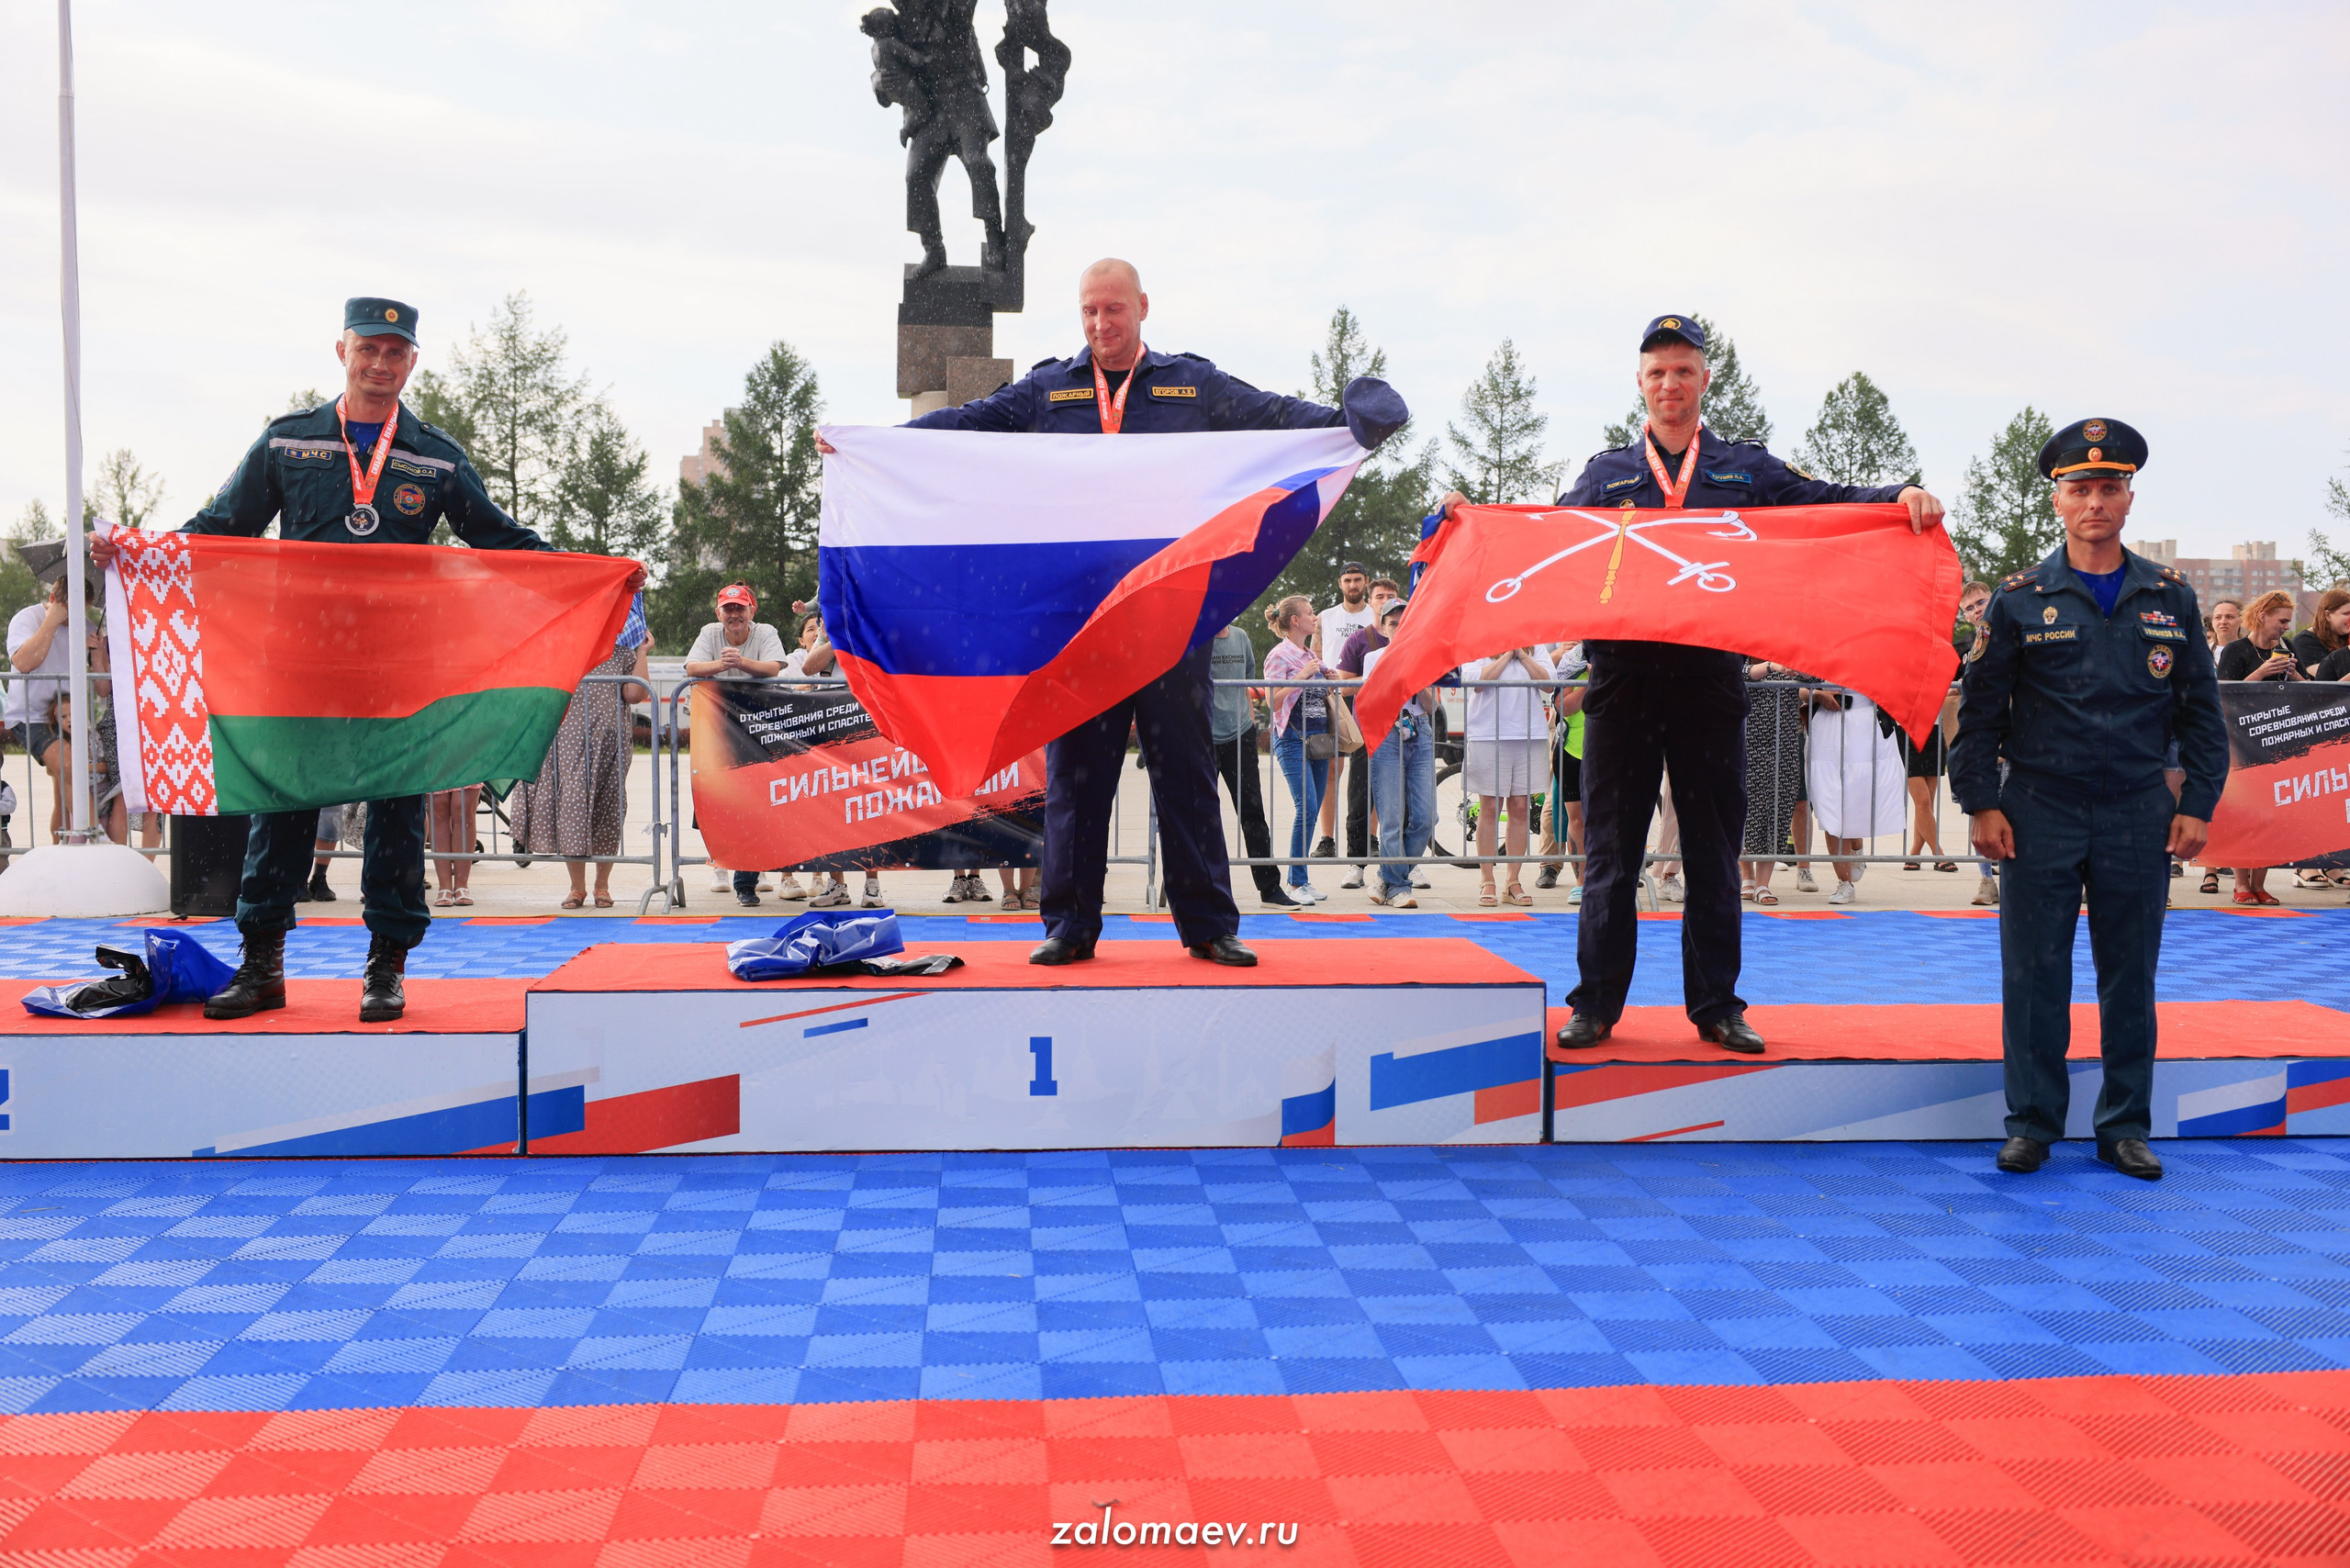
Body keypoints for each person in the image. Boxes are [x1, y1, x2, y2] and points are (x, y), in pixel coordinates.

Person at [92, 297, 633, 1025]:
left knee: (395, 820)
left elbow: (501, 542)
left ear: (412, 360)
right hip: (298, 667)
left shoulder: (435, 455)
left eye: (396, 352)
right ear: (341, 351)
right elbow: (220, 531)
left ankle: (387, 967)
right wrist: (139, 555)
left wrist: (593, 571)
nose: (381, 364)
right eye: (368, 350)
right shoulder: (287, 442)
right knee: (281, 810)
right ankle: (262, 968)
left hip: (399, 675)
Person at [863, 257, 1406, 967]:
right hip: (1079, 626)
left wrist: (1346, 428)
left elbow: (1275, 419)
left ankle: (1209, 925)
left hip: (1170, 624)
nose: (1100, 325)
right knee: (1075, 779)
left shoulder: (1192, 383)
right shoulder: (1050, 387)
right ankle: (1069, 925)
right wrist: (878, 446)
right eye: (1089, 312)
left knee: (1185, 773)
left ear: (1142, 307)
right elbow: (970, 427)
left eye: (1113, 311)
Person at [1465, 315, 1942, 1056]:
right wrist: (1471, 524)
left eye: (1683, 371)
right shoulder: (1605, 475)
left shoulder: (1745, 471)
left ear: (1704, 380)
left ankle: (1717, 1007)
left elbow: (1825, 501)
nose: (1670, 386)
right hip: (1620, 685)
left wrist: (1897, 496)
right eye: (1657, 373)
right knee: (1611, 859)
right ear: (1640, 384)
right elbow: (1550, 544)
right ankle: (1595, 1004)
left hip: (1710, 684)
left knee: (1715, 854)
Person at [1953, 418, 2225, 1182]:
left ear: (2129, 500)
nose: (2095, 502)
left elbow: (2201, 711)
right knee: (2034, 973)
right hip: (2039, 806)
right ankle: (2032, 1124)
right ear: (2057, 502)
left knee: (2129, 975)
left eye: (2109, 488)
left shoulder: (2170, 597)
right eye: (2080, 489)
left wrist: (2198, 802)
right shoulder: (2017, 601)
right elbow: (1979, 716)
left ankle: (2124, 1126)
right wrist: (1981, 803)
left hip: (2139, 809)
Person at [511, 591, 652, 910]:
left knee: (608, 809)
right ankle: (577, 888)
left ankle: (602, 886)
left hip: (610, 746)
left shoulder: (621, 651)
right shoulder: (566, 648)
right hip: (569, 745)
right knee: (573, 808)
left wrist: (642, 652)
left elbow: (634, 694)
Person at [686, 583, 793, 908]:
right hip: (720, 730)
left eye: (740, 608)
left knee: (761, 800)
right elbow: (691, 667)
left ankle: (749, 877)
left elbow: (774, 667)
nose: (734, 614)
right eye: (728, 609)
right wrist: (723, 665)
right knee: (715, 800)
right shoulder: (709, 632)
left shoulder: (766, 632)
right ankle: (723, 862)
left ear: (752, 611)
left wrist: (739, 663)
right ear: (718, 613)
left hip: (762, 730)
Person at [2215, 588, 2304, 904]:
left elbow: (2309, 690)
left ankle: (2260, 884)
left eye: (2288, 623)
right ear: (2263, 617)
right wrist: (2260, 673)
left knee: (2270, 813)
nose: (2284, 628)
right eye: (2281, 621)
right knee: (2243, 813)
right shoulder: (2236, 650)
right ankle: (2241, 883)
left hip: (2276, 742)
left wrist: (2294, 675)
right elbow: (2222, 693)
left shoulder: (2287, 648)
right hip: (2239, 741)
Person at [1208, 615, 1298, 908]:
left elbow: (1247, 682)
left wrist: (1248, 723)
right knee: (1200, 816)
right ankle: (1198, 889)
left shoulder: (1241, 637)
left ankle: (1270, 888)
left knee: (1253, 812)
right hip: (1203, 736)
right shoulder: (1197, 640)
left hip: (1240, 736)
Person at [1360, 597, 1437, 908]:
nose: (1400, 628)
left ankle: (1386, 877)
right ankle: (1398, 887)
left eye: (1405, 622)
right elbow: (1372, 704)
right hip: (1387, 733)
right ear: (1383, 628)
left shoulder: (1424, 656)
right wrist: (1397, 675)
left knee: (1426, 817)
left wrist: (1416, 681)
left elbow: (1432, 706)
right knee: (1390, 818)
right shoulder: (1373, 658)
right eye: (1393, 623)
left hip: (1419, 730)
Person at [1462, 646, 1551, 906]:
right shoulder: (1479, 642)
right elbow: (1475, 682)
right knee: (1490, 807)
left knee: (1521, 807)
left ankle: (1513, 881)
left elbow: (1548, 684)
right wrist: (1504, 655)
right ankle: (1487, 879)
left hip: (1529, 734)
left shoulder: (1536, 647)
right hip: (1488, 734)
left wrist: (1522, 655)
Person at [1806, 681, 1906, 904]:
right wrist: (1818, 695)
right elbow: (1801, 689)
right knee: (1830, 803)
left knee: (1855, 799)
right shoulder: (1819, 650)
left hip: (1865, 727)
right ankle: (1844, 883)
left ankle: (1856, 846)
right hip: (1828, 727)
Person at [1264, 596, 1334, 903]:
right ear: (1295, 621)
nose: (1314, 616)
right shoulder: (1280, 655)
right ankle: (1296, 882)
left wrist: (1329, 679)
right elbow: (1272, 701)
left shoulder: (1309, 654)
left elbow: (1323, 692)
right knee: (1305, 806)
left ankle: (1299, 877)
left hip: (1318, 738)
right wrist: (1302, 677)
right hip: (1291, 737)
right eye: (1309, 613)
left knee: (1313, 807)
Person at [1332, 577, 1400, 889]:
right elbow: (1344, 685)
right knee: (1359, 798)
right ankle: (1356, 864)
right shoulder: (1359, 641)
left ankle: (1406, 866)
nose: (1385, 599)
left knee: (1405, 802)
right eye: (1380, 596)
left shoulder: (1414, 638)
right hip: (1366, 729)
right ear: (1370, 603)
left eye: (1391, 595)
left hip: (1404, 730)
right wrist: (1376, 676)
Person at [1315, 564, 1377, 869]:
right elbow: (1314, 655)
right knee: (1330, 771)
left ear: (1366, 582)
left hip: (1368, 700)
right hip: (1335, 701)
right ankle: (1327, 839)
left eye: (1357, 580)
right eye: (1347, 580)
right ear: (1340, 583)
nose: (1352, 585)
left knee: (1371, 773)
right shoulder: (1325, 617)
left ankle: (1371, 838)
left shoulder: (1376, 615)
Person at [6, 567, 74, 843]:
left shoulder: (84, 625)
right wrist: (51, 621)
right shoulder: (27, 618)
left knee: (63, 783)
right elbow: (23, 662)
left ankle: (64, 845)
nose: (73, 619)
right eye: (69, 610)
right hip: (30, 716)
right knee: (70, 768)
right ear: (54, 599)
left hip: (66, 714)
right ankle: (85, 837)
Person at [1739, 658, 1811, 906]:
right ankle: (1746, 877)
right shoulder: (1742, 654)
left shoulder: (1788, 653)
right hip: (1747, 744)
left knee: (1777, 812)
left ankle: (1763, 883)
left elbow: (1811, 676)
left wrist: (1794, 666)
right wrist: (1773, 666)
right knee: (1746, 812)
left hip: (1784, 746)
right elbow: (1742, 673)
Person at [1953, 581, 2002, 905]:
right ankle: (1986, 881)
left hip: (2011, 742)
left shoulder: (2010, 635)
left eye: (1981, 602)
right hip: (1978, 743)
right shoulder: (1967, 649)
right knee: (1978, 811)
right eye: (1969, 608)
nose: (1976, 610)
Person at [1536, 640, 1589, 900]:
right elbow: (1563, 706)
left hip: (1612, 751)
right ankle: (1581, 881)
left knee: (1608, 818)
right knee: (1575, 818)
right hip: (1572, 750)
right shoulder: (1575, 660)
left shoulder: (1623, 658)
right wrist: (1592, 680)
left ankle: (1608, 875)